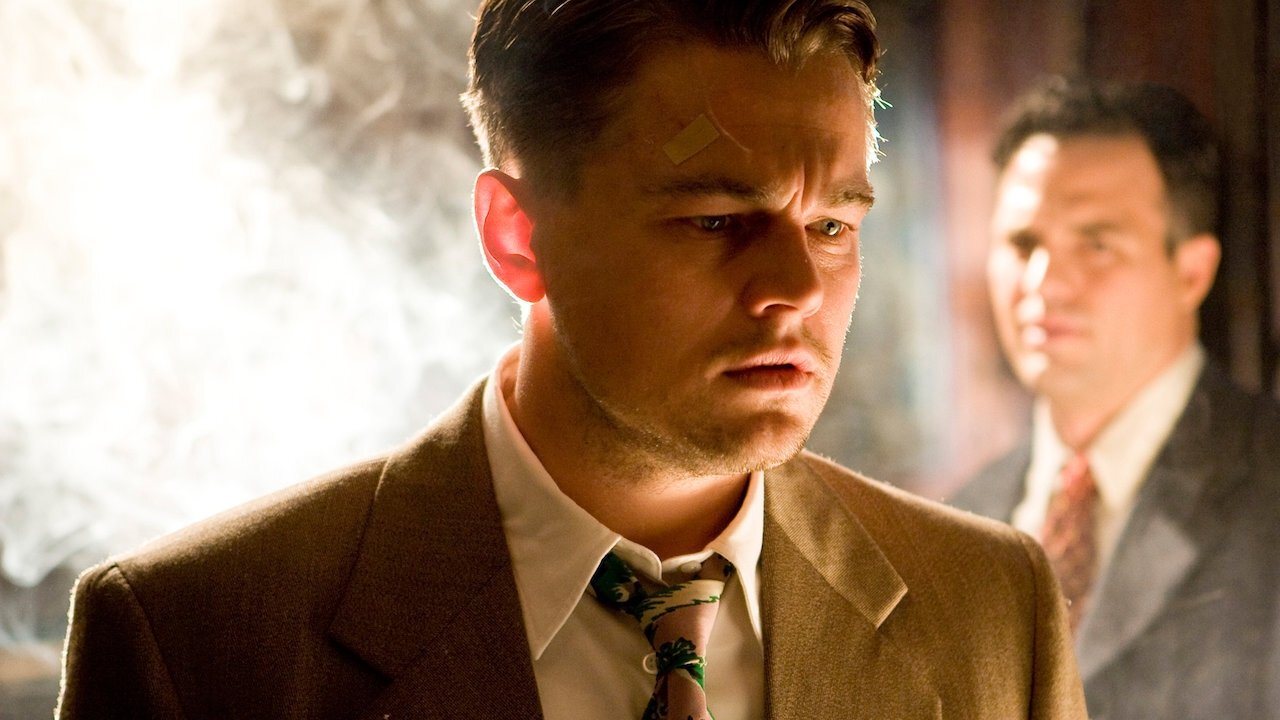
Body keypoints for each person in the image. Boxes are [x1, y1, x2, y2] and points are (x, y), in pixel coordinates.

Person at [57, 2, 1086, 718]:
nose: (796, 289)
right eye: (716, 219)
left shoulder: (990, 609)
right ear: (516, 238)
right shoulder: (195, 642)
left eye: (830, 225)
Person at [949, 77, 1280, 720]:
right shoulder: (960, 520)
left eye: (1096, 243)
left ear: (1191, 272)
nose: (1044, 283)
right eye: (1023, 244)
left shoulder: (1267, 479)